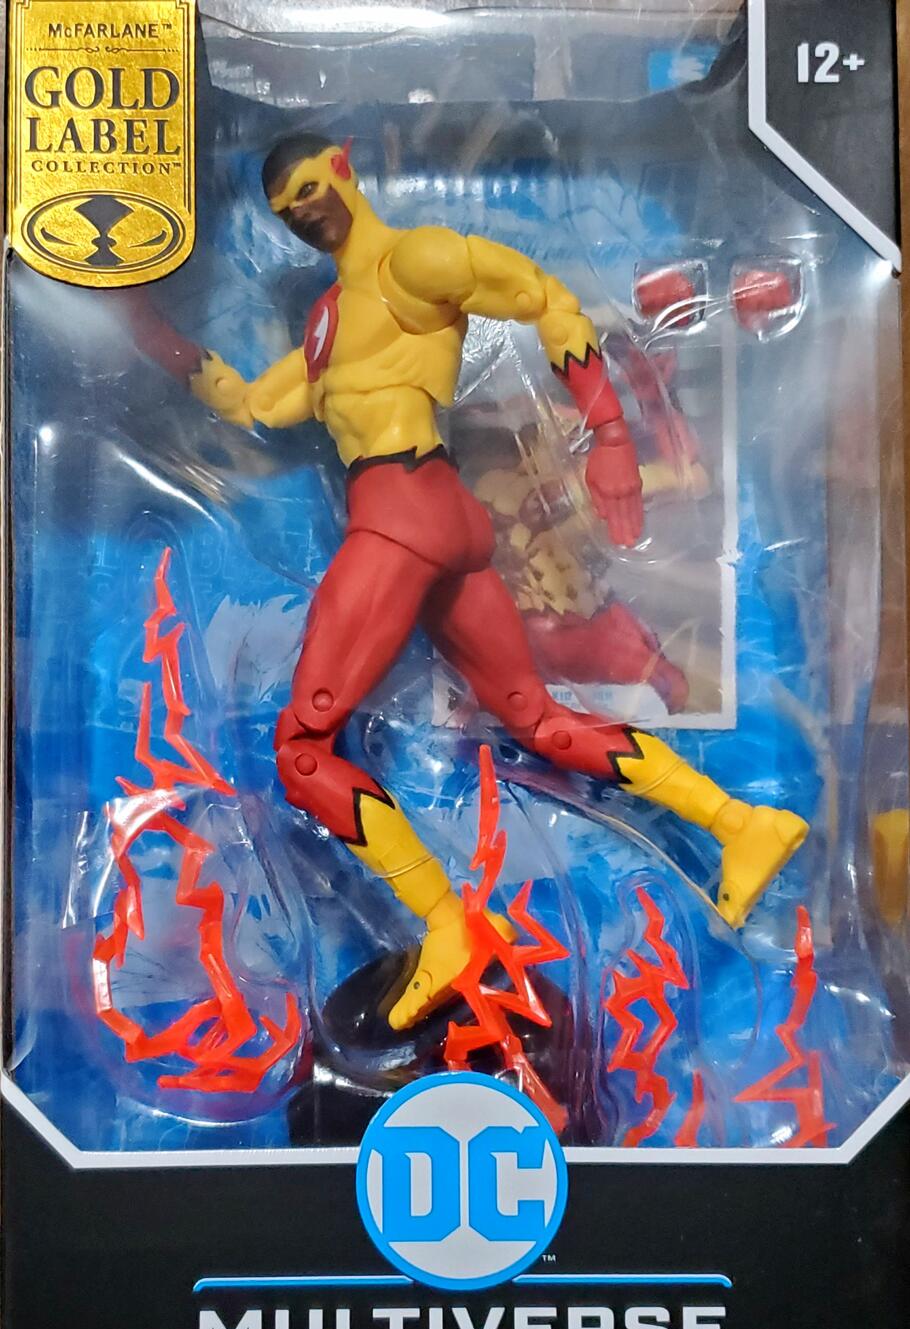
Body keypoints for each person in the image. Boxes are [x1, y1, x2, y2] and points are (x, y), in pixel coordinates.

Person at [189, 133, 808, 1031]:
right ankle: (741, 823)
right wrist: (174, 355)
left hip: (402, 515)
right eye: (287, 210)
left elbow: (543, 296)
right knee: (535, 719)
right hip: (441, 523)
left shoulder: (412, 264)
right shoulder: (328, 319)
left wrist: (612, 436)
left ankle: (449, 928)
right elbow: (258, 402)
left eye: (310, 189)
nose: (304, 214)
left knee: (303, 750)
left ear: (344, 166)